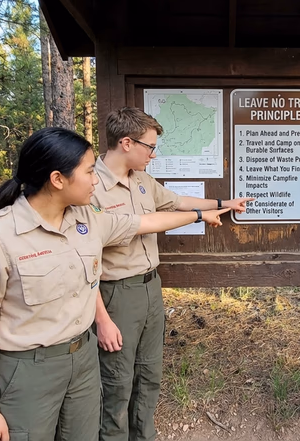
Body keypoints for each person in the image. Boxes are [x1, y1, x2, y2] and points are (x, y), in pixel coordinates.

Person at [0, 127, 231, 441]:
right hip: (28, 370)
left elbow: (146, 222)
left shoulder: (87, 218)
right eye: (87, 172)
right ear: (58, 179)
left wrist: (198, 215)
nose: (95, 179)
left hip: (82, 361)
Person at [92, 107, 252, 441]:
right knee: (118, 381)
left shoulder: (142, 180)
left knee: (149, 373)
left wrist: (225, 202)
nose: (153, 153)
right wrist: (102, 318)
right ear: (126, 143)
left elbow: (176, 201)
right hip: (116, 294)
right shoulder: (91, 187)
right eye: (149, 147)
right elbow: (84, 261)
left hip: (151, 288)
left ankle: (143, 436)